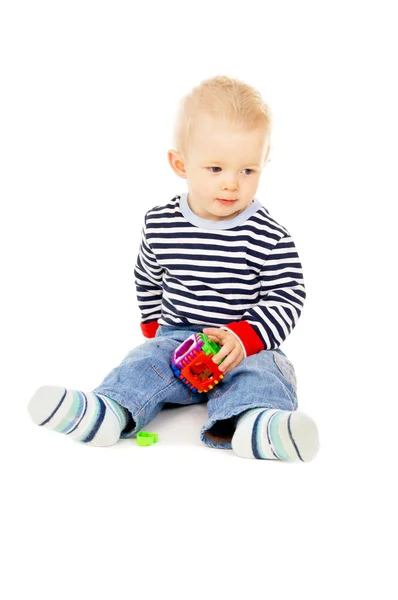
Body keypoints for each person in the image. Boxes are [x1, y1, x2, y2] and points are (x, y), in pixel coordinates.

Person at [28, 75, 319, 462]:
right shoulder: (160, 223)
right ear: (180, 164)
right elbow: (147, 276)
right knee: (143, 363)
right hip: (178, 338)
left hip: (242, 345)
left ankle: (258, 424)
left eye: (247, 171)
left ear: (263, 163)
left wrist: (246, 338)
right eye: (215, 169)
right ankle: (107, 410)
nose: (232, 184)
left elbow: (288, 294)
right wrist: (152, 327)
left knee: (264, 374)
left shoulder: (267, 234)